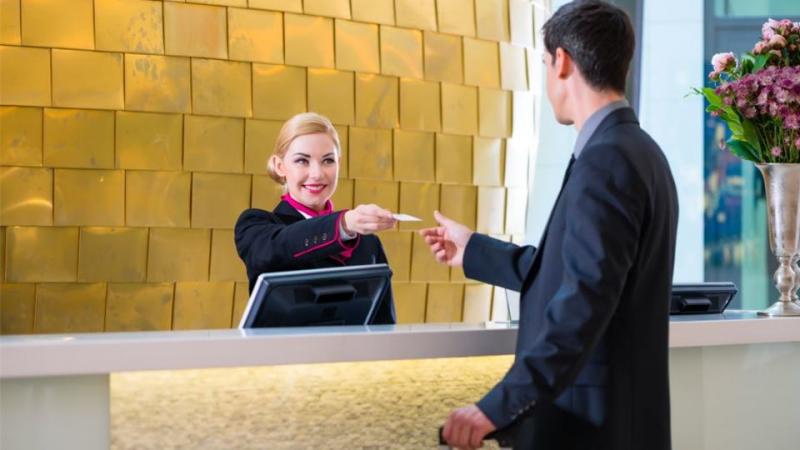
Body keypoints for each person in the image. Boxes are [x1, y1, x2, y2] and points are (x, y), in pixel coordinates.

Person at [422, 1, 679, 449]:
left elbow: (583, 302)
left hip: (588, 431)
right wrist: (474, 250)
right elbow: (572, 269)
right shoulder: (641, 151)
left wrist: (498, 406)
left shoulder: (606, 159)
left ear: (561, 61)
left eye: (544, 63)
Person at [235, 112, 398, 324]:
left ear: (339, 164)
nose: (317, 174)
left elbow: (383, 325)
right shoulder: (256, 226)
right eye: (302, 161)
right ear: (279, 166)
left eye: (328, 161)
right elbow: (278, 247)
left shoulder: (368, 243)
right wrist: (343, 224)